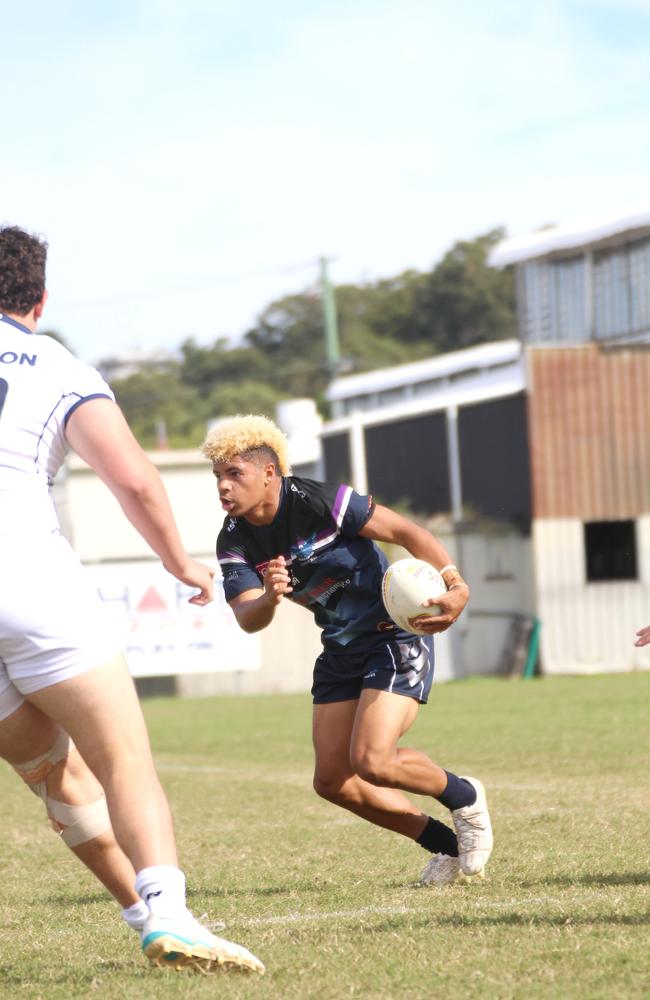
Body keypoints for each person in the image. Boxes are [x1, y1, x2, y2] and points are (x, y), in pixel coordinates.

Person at [0, 226, 263, 974]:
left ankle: (136, 912)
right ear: (41, 298)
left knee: (53, 774)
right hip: (26, 579)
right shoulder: (56, 365)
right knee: (122, 759)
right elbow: (136, 479)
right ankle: (170, 915)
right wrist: (179, 560)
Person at [202, 414, 493, 888]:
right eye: (218, 476)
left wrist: (456, 584)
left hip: (391, 637)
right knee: (333, 781)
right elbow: (247, 617)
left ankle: (464, 796)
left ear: (269, 473)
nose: (223, 487)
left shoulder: (320, 500)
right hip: (339, 648)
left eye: (235, 474)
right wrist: (271, 597)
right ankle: (446, 845)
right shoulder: (233, 540)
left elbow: (408, 534)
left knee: (373, 760)